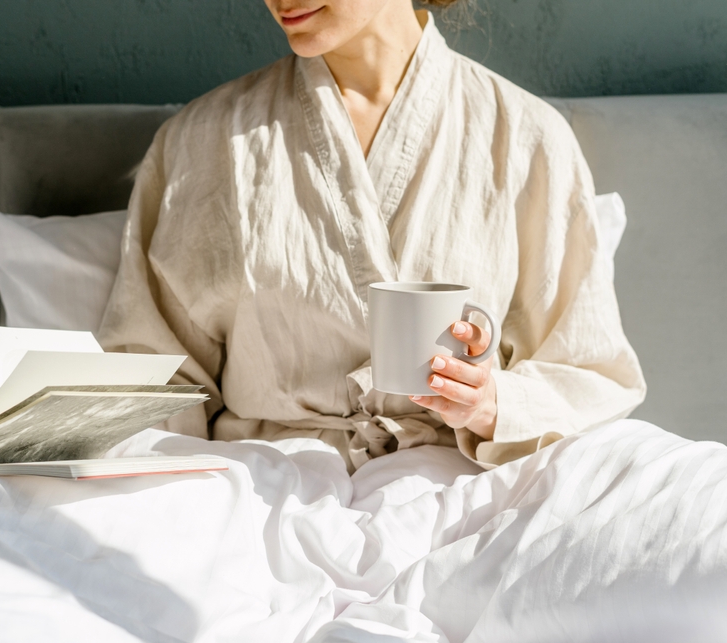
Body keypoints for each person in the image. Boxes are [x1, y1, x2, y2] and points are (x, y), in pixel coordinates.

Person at [98, 0, 646, 472]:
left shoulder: (525, 137)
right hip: (263, 486)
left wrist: (490, 403)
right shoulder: (203, 141)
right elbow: (157, 376)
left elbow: (590, 370)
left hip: (460, 489)